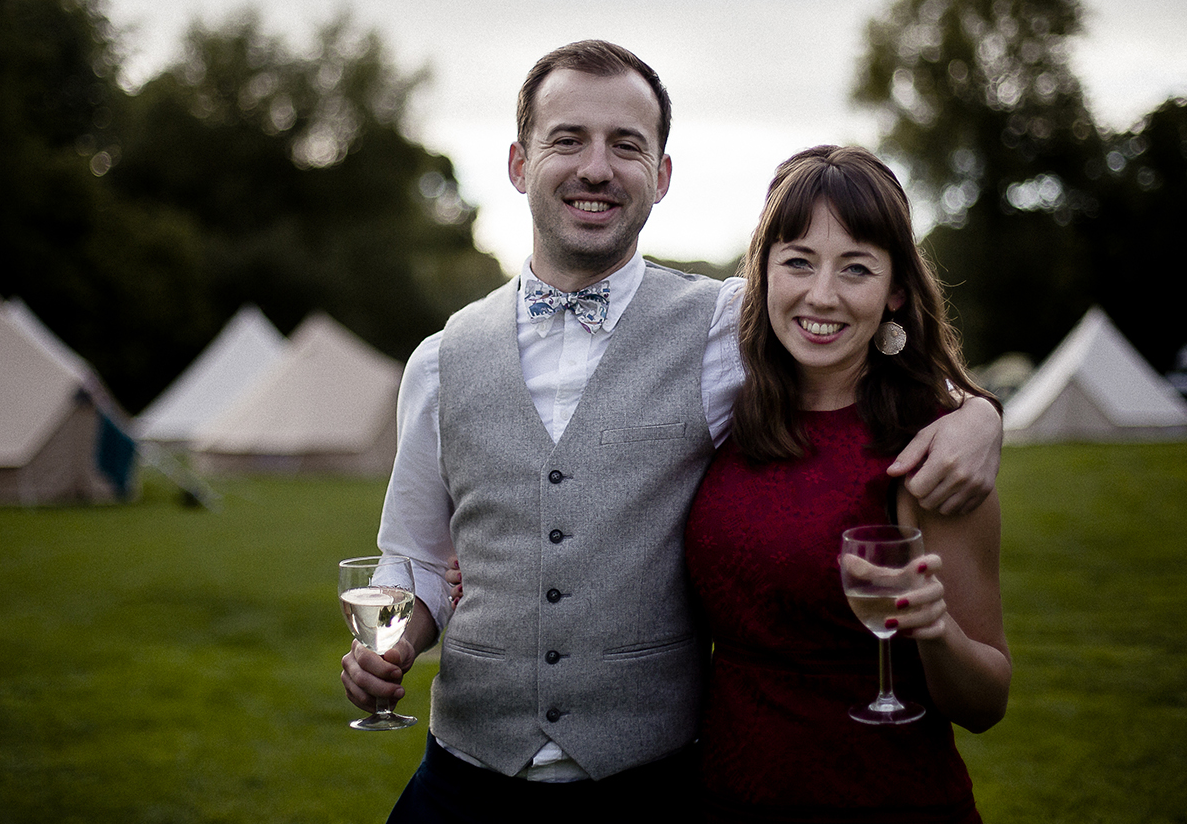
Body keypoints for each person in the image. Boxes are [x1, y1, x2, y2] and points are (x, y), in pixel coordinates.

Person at [340, 41, 1004, 822]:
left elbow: (849, 336)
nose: (596, 168)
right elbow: (416, 559)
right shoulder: (439, 362)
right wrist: (392, 644)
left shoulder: (726, 327)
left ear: (660, 175)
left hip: (654, 785)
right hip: (464, 780)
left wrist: (977, 413)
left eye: (626, 145)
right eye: (568, 139)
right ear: (519, 164)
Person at [684, 144, 1011, 823]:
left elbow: (987, 702)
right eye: (798, 261)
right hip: (724, 794)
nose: (822, 295)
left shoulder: (931, 449)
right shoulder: (725, 411)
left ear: (896, 290)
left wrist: (935, 628)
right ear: (763, 272)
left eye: (856, 268)